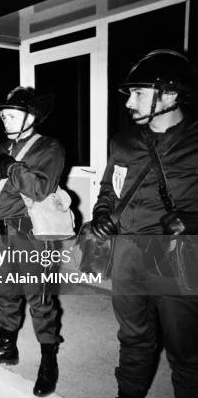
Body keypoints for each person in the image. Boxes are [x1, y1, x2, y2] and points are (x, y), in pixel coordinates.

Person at [91, 49, 198, 398]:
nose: (128, 103)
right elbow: (109, 189)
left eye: (139, 93)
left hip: (176, 258)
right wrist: (102, 213)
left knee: (186, 352)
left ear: (170, 93)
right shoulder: (123, 142)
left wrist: (194, 220)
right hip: (128, 256)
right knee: (133, 340)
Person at [0, 87, 63, 397]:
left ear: (31, 117)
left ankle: (48, 361)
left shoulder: (49, 148)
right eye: (3, 115)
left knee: (39, 299)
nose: (5, 119)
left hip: (30, 234)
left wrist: (12, 167)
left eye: (11, 115)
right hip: (1, 232)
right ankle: (7, 347)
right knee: (5, 292)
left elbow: (40, 189)